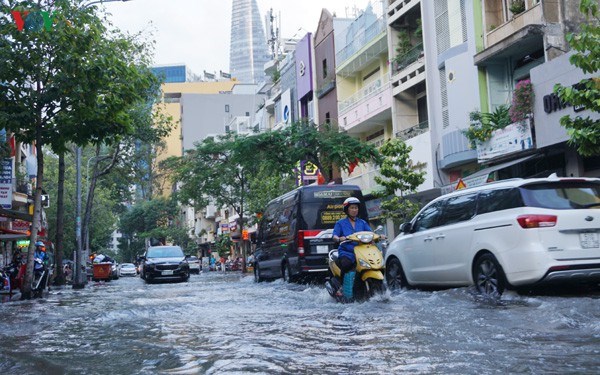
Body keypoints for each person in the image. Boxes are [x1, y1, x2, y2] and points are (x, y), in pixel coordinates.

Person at [332, 197, 371, 297]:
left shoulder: (362, 222)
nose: (354, 210)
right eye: (352, 208)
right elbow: (335, 236)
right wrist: (339, 238)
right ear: (347, 210)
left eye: (356, 208)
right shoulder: (340, 223)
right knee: (346, 264)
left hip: (362, 252)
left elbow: (370, 233)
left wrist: (379, 236)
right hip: (347, 252)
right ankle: (341, 287)